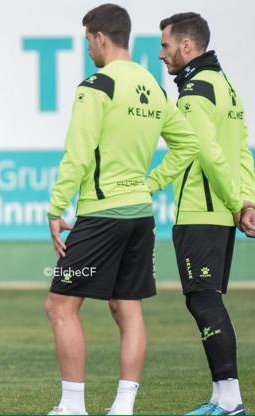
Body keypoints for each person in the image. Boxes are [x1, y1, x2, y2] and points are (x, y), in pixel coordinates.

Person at [45, 4, 201, 415]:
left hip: (101, 216)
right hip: (139, 215)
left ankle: (73, 406)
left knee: (60, 305)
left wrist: (56, 208)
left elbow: (76, 155)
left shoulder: (96, 85)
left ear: (99, 37)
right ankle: (123, 407)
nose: (87, 49)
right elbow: (189, 146)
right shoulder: (153, 85)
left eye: (87, 41)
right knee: (127, 308)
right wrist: (149, 184)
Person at [157, 12, 255, 415]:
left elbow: (207, 154)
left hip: (202, 210)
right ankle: (220, 397)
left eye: (165, 46)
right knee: (205, 299)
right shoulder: (226, 86)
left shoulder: (195, 91)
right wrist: (247, 201)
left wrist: (236, 203)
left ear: (185, 46)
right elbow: (242, 150)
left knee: (203, 301)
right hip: (221, 212)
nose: (161, 55)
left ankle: (229, 401)